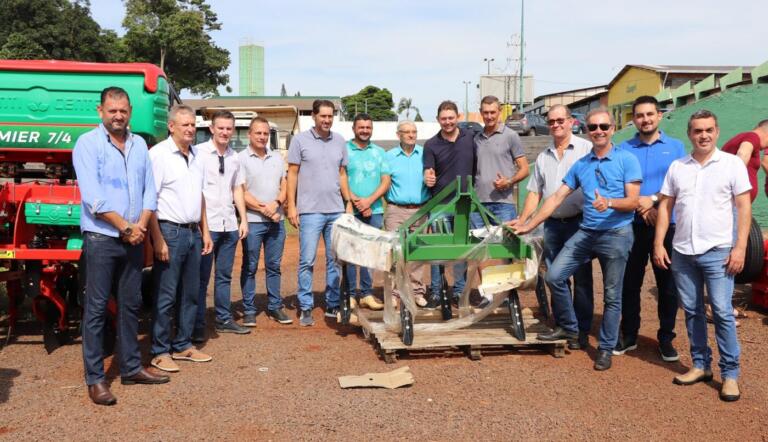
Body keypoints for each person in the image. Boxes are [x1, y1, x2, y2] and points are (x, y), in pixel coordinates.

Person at [511, 108, 641, 371]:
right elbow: (556, 197)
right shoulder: (582, 165)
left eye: (604, 126)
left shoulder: (627, 159)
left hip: (616, 234)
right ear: (588, 130)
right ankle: (571, 329)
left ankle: (604, 348)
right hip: (587, 232)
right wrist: (529, 224)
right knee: (554, 276)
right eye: (593, 127)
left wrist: (611, 203)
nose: (599, 131)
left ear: (612, 129)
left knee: (612, 295)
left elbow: (634, 201)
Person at [73, 86, 169, 406]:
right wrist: (126, 226)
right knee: (97, 309)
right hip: (102, 238)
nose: (118, 116)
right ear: (100, 111)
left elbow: (149, 191)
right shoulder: (87, 144)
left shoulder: (140, 144)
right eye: (111, 110)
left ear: (130, 112)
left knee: (131, 305)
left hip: (133, 237)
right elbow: (93, 197)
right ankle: (96, 379)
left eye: (123, 110)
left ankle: (130, 368)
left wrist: (140, 226)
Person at [654, 109, 751, 402]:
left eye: (708, 130)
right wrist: (659, 244)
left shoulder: (732, 165)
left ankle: (730, 374)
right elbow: (665, 207)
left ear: (717, 132)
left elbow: (744, 207)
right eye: (698, 131)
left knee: (721, 312)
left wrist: (740, 247)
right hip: (683, 251)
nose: (703, 135)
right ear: (690, 134)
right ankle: (700, 365)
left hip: (719, 251)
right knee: (693, 311)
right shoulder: (678, 167)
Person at [516, 104, 594, 350]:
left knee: (581, 278)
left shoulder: (586, 149)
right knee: (554, 277)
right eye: (551, 121)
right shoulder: (543, 156)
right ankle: (565, 325)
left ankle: (581, 329)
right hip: (552, 225)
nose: (556, 125)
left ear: (571, 121)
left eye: (561, 120)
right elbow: (533, 193)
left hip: (579, 223)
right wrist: (523, 220)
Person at [614, 96, 686, 361]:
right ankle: (629, 334)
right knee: (629, 283)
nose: (645, 119)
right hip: (630, 225)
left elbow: (679, 185)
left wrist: (654, 201)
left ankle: (666, 338)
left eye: (649, 114)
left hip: (666, 226)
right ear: (633, 119)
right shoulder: (622, 149)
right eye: (639, 115)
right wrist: (642, 207)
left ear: (659, 116)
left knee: (667, 285)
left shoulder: (676, 148)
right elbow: (618, 185)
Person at [149, 104, 214, 373]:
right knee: (166, 295)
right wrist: (158, 239)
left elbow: (199, 195)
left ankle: (184, 344)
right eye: (185, 125)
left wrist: (205, 230)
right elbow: (149, 201)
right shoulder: (159, 155)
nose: (190, 129)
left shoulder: (197, 155)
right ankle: (159, 351)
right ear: (171, 126)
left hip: (193, 232)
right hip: (169, 231)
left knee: (191, 294)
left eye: (192, 125)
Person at [286, 99, 353, 326]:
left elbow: (342, 174)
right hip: (310, 211)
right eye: (322, 116)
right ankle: (305, 306)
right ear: (313, 116)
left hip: (335, 209)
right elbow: (292, 174)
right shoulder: (300, 140)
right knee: (307, 260)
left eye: (330, 116)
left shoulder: (340, 141)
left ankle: (332, 303)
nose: (326, 120)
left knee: (334, 260)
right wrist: (292, 206)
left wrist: (349, 202)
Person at [196, 110, 249, 337]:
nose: (225, 132)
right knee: (200, 278)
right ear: (212, 129)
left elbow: (237, 189)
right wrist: (203, 226)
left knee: (224, 276)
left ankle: (223, 319)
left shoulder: (234, 157)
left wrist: (243, 219)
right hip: (208, 227)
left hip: (229, 225)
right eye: (221, 128)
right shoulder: (198, 154)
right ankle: (197, 324)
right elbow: (195, 191)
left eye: (229, 128)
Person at [239, 116, 292, 325]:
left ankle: (275, 306)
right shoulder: (240, 159)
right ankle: (249, 309)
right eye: (258, 133)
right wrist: (267, 210)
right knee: (250, 266)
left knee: (274, 265)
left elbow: (284, 184)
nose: (262, 137)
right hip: (253, 222)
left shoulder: (277, 157)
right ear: (249, 135)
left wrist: (278, 201)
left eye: (265, 133)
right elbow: (241, 192)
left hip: (276, 223)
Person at [423, 100, 477, 307]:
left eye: (451, 118)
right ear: (438, 120)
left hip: (465, 205)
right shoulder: (431, 144)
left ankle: (459, 291)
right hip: (440, 204)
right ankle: (436, 291)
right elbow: (428, 170)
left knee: (461, 250)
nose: (447, 122)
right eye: (443, 119)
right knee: (438, 250)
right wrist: (427, 177)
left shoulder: (470, 139)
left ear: (458, 117)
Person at [344, 113, 391, 310]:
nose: (364, 131)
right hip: (350, 210)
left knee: (369, 254)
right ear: (354, 129)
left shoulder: (379, 152)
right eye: (361, 127)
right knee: (349, 253)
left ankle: (366, 293)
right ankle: (349, 294)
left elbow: (386, 180)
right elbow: (341, 178)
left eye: (368, 128)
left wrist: (369, 202)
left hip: (375, 210)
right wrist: (356, 201)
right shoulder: (344, 149)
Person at [384, 121, 432, 306]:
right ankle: (395, 293)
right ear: (399, 135)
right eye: (407, 132)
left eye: (414, 132)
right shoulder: (389, 156)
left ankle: (417, 291)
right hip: (396, 209)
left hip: (421, 209)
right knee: (396, 251)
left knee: (417, 251)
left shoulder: (425, 155)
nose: (411, 135)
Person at [471, 95, 528, 228]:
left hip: (503, 205)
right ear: (481, 113)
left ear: (499, 112)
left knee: (505, 246)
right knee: (477, 247)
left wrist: (508, 181)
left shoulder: (511, 136)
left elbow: (525, 169)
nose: (489, 116)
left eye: (492, 112)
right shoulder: (476, 139)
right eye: (486, 112)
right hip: (477, 205)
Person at [722, 119, 768, 202]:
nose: (766, 147)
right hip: (733, 203)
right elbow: (743, 154)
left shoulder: (744, 137)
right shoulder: (753, 136)